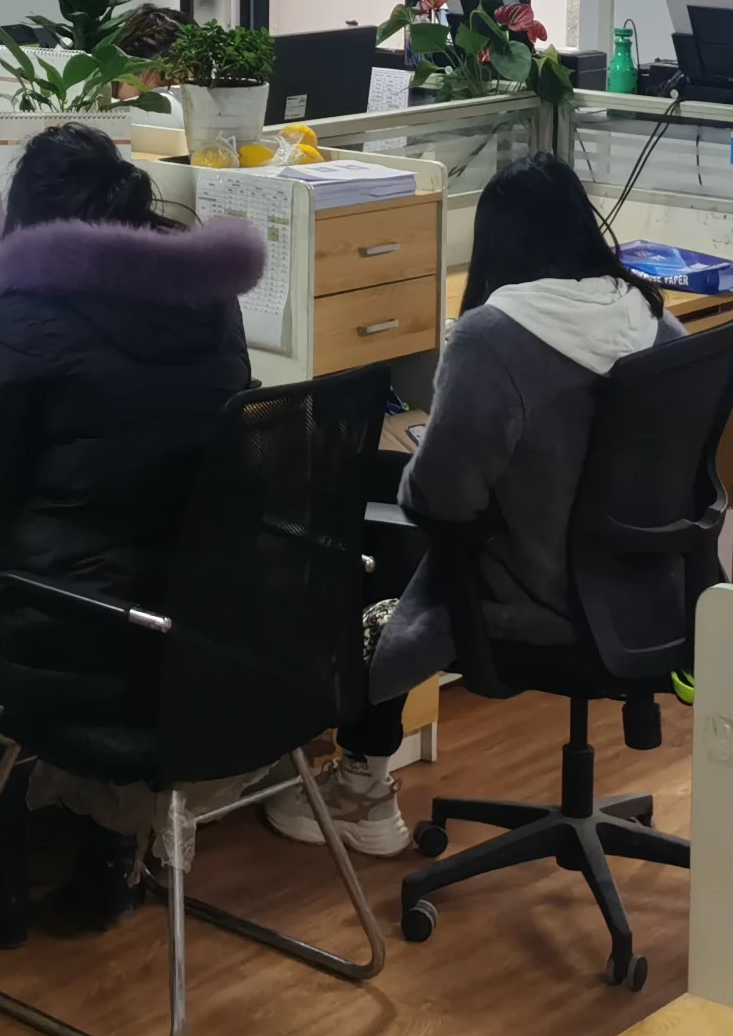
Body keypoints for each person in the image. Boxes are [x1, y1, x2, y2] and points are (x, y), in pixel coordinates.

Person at [275, 154, 683, 857]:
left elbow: (440, 498)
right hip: (644, 590)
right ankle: (358, 774)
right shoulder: (652, 316)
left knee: (380, 531)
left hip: (542, 596)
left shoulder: (494, 335)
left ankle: (361, 784)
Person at [0, 122, 264, 937]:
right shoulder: (209, 296)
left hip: (81, 634)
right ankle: (109, 856)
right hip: (200, 632)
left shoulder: (31, 314)